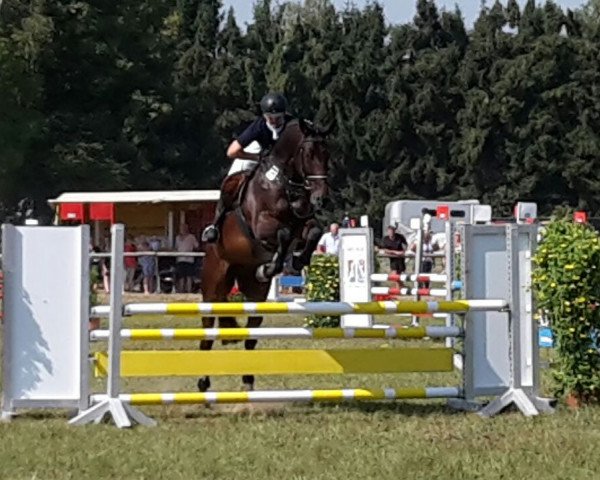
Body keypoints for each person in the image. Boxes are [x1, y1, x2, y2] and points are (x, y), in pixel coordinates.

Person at [202, 92, 294, 243]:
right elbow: (232, 151)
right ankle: (215, 224)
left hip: (283, 159)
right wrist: (257, 158)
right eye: (271, 118)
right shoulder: (258, 126)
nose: (275, 121)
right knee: (231, 181)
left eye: (278, 117)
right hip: (258, 153)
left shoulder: (292, 124)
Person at [175, 223, 199, 293]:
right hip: (180, 259)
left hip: (189, 260)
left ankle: (189, 291)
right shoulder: (177, 238)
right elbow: (176, 248)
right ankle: (181, 291)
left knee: (189, 276)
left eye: (184, 228)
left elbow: (196, 246)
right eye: (181, 228)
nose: (182, 230)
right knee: (181, 276)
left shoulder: (191, 237)